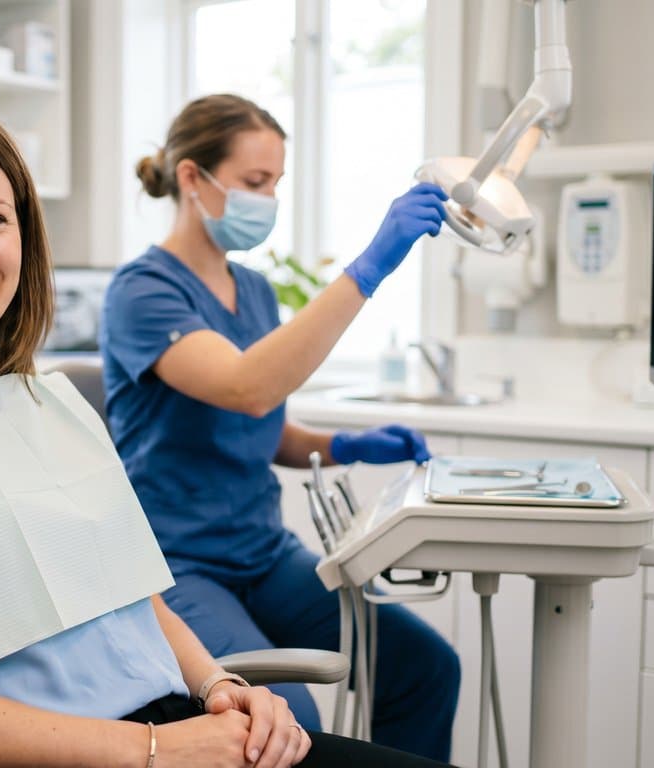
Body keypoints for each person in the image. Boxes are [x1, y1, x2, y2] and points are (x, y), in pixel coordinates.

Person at [0, 97, 451, 768]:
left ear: (24, 239)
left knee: (413, 676)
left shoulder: (44, 402)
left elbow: (134, 597)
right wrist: (154, 751)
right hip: (99, 749)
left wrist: (223, 689)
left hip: (166, 719)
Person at [100, 93, 460, 761]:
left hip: (263, 553)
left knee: (423, 666)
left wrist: (345, 445)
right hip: (177, 564)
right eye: (255, 183)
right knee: (285, 716)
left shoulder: (256, 291)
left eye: (277, 184)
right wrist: (370, 266)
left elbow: (269, 425)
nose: (268, 199)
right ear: (191, 178)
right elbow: (246, 387)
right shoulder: (141, 292)